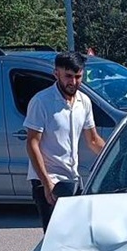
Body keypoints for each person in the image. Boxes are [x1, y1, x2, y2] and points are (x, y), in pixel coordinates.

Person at [24, 51, 106, 231]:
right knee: (55, 237)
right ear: (56, 74)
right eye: (68, 76)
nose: (73, 82)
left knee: (78, 234)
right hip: (48, 180)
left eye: (78, 77)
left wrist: (116, 158)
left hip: (73, 179)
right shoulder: (41, 102)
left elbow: (93, 140)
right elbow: (32, 143)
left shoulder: (84, 102)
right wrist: (47, 183)